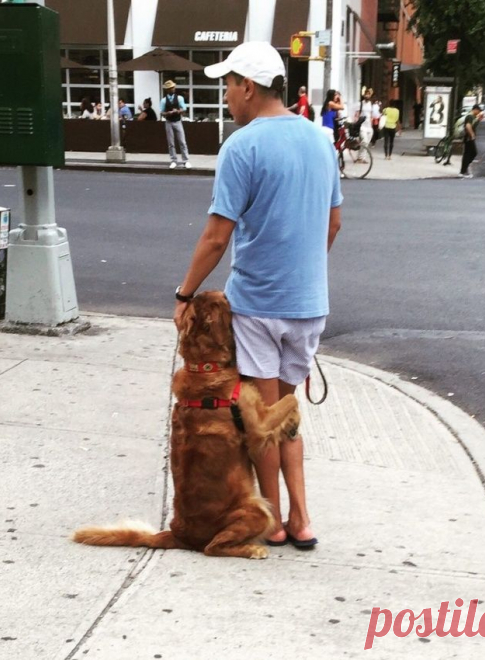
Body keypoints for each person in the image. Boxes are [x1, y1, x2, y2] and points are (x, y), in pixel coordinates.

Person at [173, 41, 342, 548]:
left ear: (248, 86)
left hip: (258, 307)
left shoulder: (241, 146)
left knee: (262, 422)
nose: (225, 94)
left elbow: (216, 237)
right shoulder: (321, 141)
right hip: (308, 306)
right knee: (287, 415)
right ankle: (303, 518)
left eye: (228, 84)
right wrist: (301, 271)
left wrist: (185, 294)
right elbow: (333, 224)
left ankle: (274, 521)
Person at [160, 80, 191, 169]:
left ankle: (186, 160)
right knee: (171, 143)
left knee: (182, 142)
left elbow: (184, 109)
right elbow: (162, 112)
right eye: (171, 88)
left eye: (173, 87)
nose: (173, 89)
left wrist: (177, 111)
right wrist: (168, 113)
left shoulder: (179, 98)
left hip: (178, 121)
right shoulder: (163, 100)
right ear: (167, 90)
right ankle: (173, 160)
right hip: (168, 122)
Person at [459, 104, 483, 178]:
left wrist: (479, 119)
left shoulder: (473, 117)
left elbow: (473, 125)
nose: (479, 112)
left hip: (469, 137)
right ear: (475, 109)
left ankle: (464, 168)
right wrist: (472, 134)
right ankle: (463, 170)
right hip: (468, 137)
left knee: (470, 153)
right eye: (478, 111)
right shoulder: (470, 116)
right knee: (471, 153)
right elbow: (468, 126)